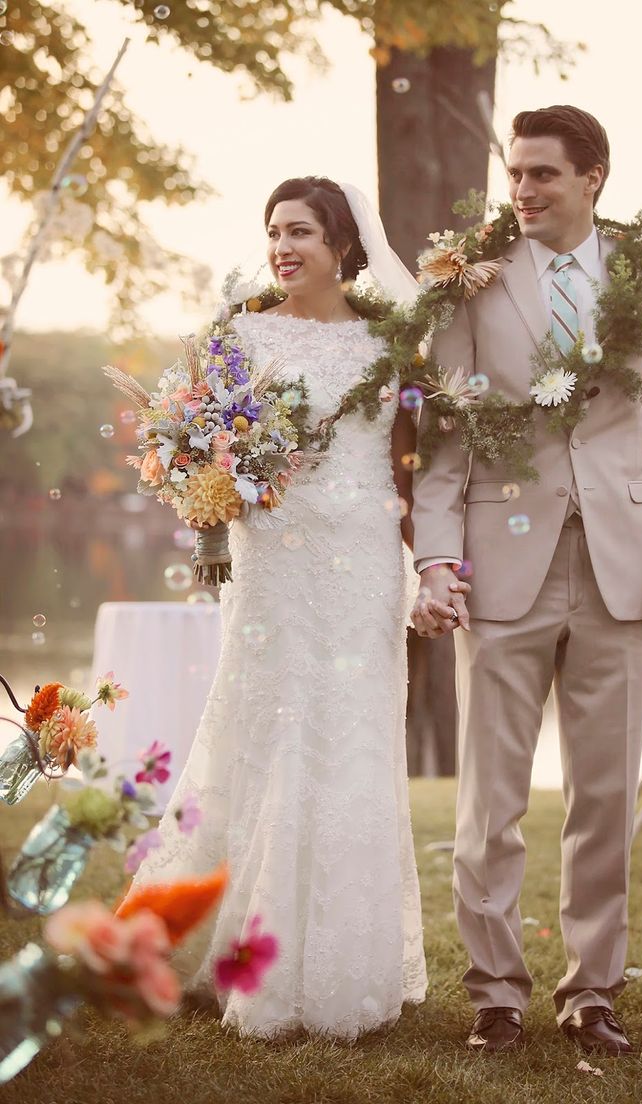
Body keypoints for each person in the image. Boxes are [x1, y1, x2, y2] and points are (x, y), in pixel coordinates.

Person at [411, 105, 642, 1057]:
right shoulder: (475, 284)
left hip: (627, 569)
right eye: (516, 174)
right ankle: (494, 992)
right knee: (489, 801)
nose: (524, 191)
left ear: (594, 178)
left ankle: (593, 992)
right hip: (502, 568)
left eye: (543, 174)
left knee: (605, 798)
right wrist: (434, 559)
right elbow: (445, 437)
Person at [121, 177, 434, 1039]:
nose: (282, 247)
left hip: (365, 562)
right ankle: (237, 950)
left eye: (300, 231)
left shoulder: (391, 342)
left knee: (353, 740)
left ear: (343, 243)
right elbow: (200, 439)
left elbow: (409, 460)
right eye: (273, 232)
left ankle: (344, 959)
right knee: (264, 733)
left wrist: (423, 563)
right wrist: (209, 483)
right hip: (275, 562)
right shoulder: (242, 331)